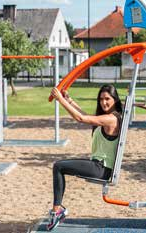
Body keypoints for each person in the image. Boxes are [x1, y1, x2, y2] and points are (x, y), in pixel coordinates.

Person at [46, 84, 122, 231]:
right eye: (101, 99)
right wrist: (70, 101)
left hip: (101, 168)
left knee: (59, 166)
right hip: (99, 166)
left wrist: (60, 100)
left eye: (107, 99)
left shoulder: (111, 119)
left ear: (115, 100)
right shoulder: (109, 117)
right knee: (59, 167)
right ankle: (57, 209)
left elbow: (81, 118)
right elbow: (88, 117)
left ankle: (57, 211)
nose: (103, 102)